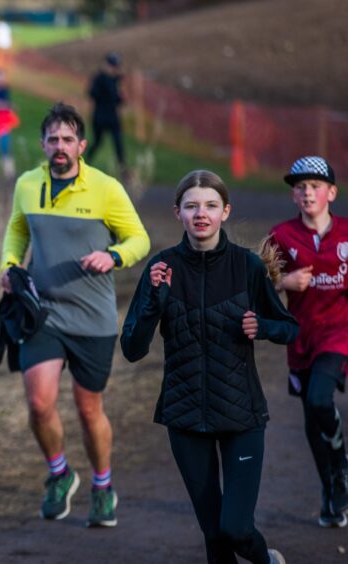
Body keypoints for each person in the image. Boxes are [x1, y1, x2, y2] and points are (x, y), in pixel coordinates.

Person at [120, 170, 297, 564]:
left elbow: (290, 328)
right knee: (214, 535)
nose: (202, 213)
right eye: (192, 206)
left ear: (226, 212)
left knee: (234, 528)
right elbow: (132, 348)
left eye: (211, 206)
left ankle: (265, 559)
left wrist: (262, 326)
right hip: (185, 416)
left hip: (240, 415)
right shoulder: (161, 268)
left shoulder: (248, 267)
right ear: (178, 213)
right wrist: (154, 302)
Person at [0, 102, 149, 526]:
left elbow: (139, 238)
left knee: (88, 410)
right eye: (53, 139)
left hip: (93, 316)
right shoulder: (28, 184)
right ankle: (60, 473)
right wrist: (9, 265)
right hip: (43, 313)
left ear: (81, 145)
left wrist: (114, 256)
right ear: (43, 144)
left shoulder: (106, 188)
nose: (60, 146)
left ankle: (103, 485)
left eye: (68, 139)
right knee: (38, 402)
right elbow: (17, 229)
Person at [268, 156, 348, 528]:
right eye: (300, 187)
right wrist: (284, 283)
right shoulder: (281, 235)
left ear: (331, 192)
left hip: (338, 334)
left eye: (315, 185)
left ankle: (342, 466)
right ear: (293, 196)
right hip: (300, 338)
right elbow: (261, 284)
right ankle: (331, 489)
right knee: (310, 419)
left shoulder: (347, 234)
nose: (307, 192)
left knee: (320, 399)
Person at [85, 52, 125, 172]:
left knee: (118, 142)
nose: (113, 68)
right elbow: (92, 94)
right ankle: (85, 162)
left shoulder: (116, 80)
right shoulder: (99, 78)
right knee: (97, 142)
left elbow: (119, 99)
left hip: (113, 117)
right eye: (111, 65)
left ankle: (123, 167)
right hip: (100, 116)